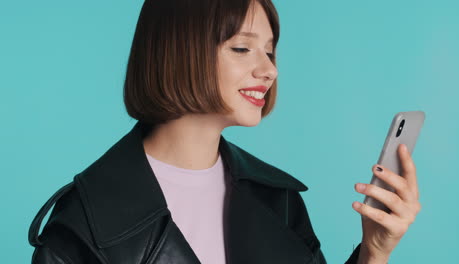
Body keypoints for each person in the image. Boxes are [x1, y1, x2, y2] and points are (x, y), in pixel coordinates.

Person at [28, 0, 421, 263]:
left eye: (270, 50)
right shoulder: (83, 222)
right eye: (241, 48)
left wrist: (373, 251)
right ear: (180, 50)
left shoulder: (277, 199)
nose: (269, 70)